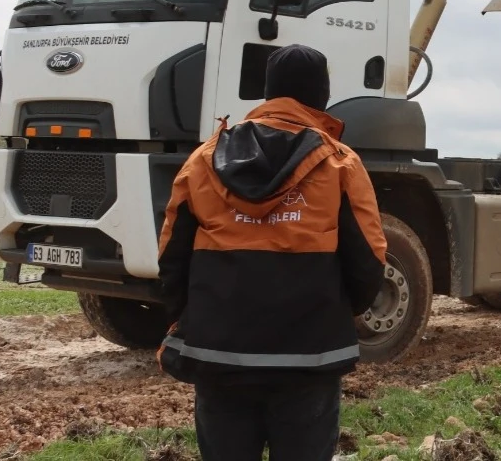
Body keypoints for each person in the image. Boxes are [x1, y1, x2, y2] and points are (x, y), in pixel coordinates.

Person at [156, 44, 387, 461]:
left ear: (268, 91)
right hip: (309, 356)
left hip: (218, 354)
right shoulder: (340, 164)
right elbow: (368, 261)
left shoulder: (203, 159)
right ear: (321, 94)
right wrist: (333, 311)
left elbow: (172, 256)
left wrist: (190, 317)